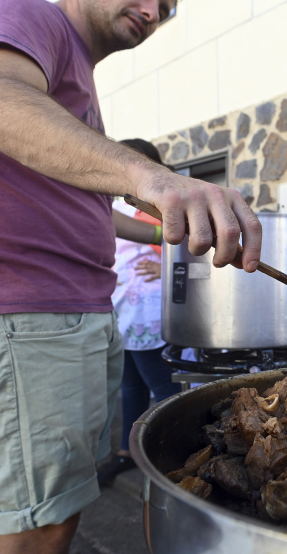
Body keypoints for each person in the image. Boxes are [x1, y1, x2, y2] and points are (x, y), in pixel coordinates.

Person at [0, 0, 262, 553]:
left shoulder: (73, 73)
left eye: (164, 8)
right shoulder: (18, 9)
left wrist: (172, 228)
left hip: (63, 315)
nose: (152, 12)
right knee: (38, 528)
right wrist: (155, 179)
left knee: (59, 513)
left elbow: (86, 212)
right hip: (22, 316)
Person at [97, 138, 179, 486]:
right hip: (122, 311)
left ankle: (177, 454)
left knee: (162, 386)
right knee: (129, 385)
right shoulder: (117, 206)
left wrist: (164, 268)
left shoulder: (163, 205)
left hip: (149, 314)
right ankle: (128, 452)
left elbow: (191, 250)